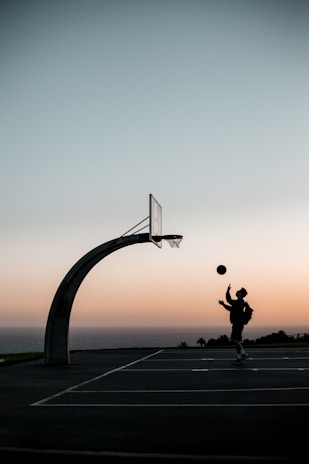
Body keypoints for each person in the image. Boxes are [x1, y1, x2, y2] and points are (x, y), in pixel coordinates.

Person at [218, 284, 251, 365]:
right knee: (237, 341)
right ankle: (239, 358)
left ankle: (243, 353)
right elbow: (230, 308)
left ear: (241, 294)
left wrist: (228, 291)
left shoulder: (239, 302)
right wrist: (223, 304)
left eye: (239, 291)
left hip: (238, 323)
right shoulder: (239, 302)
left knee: (234, 340)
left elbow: (229, 300)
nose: (237, 291)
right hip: (238, 323)